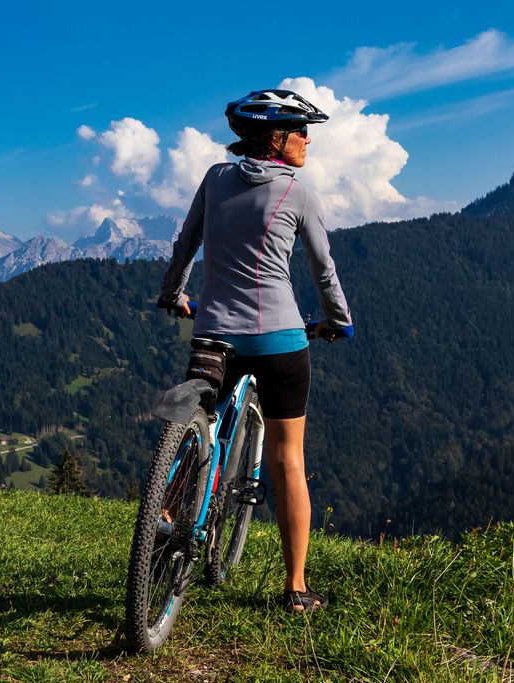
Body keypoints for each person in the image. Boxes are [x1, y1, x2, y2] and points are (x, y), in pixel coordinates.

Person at [158, 89, 353, 613]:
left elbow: (186, 243)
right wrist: (338, 321)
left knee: (196, 423)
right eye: (301, 131)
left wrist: (174, 294)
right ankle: (295, 589)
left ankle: (168, 514)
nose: (308, 140)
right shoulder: (299, 193)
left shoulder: (215, 179)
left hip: (214, 334)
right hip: (280, 340)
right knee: (288, 460)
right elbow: (323, 269)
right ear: (276, 138)